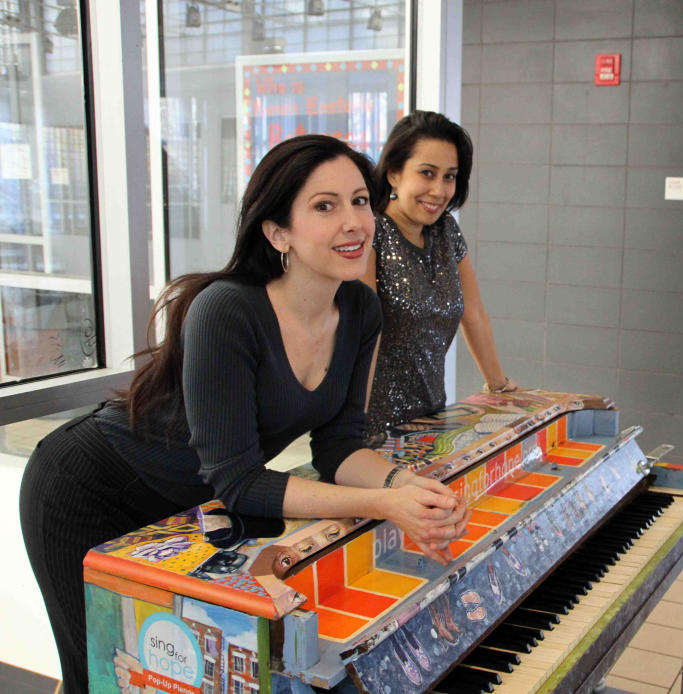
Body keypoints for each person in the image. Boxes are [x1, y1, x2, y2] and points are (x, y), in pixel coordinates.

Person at [19, 135, 468, 694]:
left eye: (359, 201)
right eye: (324, 206)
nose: (353, 222)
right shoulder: (227, 310)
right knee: (101, 674)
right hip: (85, 486)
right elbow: (239, 482)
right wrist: (384, 503)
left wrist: (410, 488)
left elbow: (340, 447)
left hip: (184, 505)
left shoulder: (360, 309)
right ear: (278, 231)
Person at [363, 110, 517, 439]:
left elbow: (473, 313)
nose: (439, 190)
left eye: (449, 176)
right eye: (427, 173)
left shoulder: (446, 230)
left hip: (432, 418)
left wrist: (498, 386)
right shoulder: (370, 232)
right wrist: (352, 429)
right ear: (393, 174)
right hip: (372, 426)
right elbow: (364, 335)